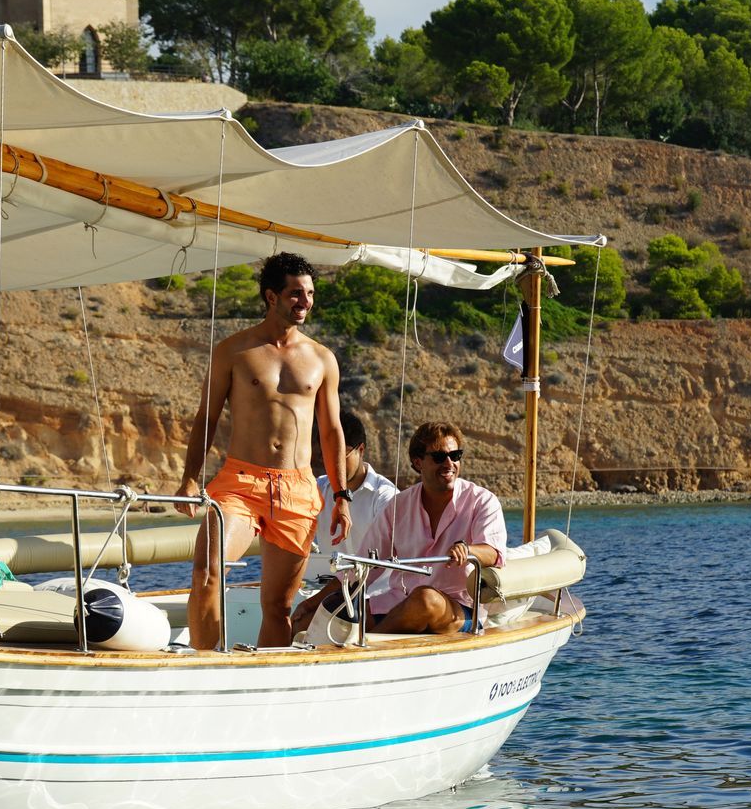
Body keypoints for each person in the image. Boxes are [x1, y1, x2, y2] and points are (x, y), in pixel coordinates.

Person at [174, 252, 352, 650]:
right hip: (241, 482)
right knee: (207, 573)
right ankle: (206, 669)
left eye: (308, 293)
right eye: (294, 293)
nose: (304, 302)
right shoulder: (233, 351)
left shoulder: (322, 359)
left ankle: (265, 685)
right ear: (271, 296)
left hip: (297, 488)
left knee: (277, 605)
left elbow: (332, 429)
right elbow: (207, 417)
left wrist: (341, 496)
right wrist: (189, 479)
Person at [352, 420, 506, 635]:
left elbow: (493, 553)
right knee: (346, 611)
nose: (449, 463)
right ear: (418, 462)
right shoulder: (398, 506)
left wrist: (467, 550)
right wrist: (314, 604)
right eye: (439, 457)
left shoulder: (482, 501)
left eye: (455, 456)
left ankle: (370, 649)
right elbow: (364, 565)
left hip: (460, 608)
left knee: (425, 599)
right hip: (401, 602)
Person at [292, 409, 397, 632]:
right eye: (326, 457)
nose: (333, 465)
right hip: (335, 593)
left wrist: (312, 602)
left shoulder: (386, 497)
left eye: (340, 456)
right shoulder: (318, 489)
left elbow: (364, 570)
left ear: (361, 450)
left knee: (302, 626)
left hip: (379, 599)